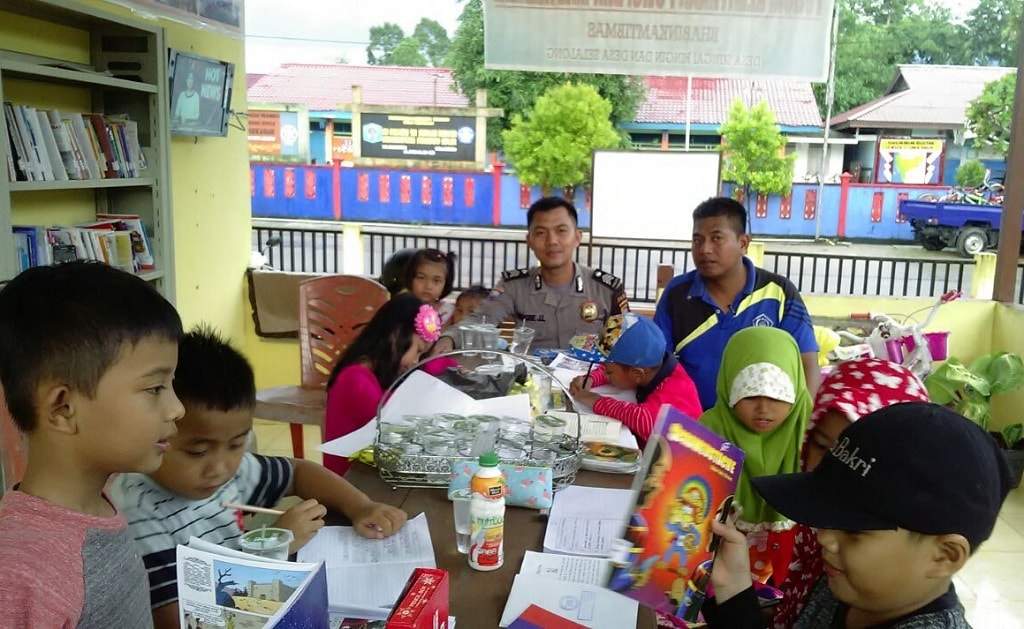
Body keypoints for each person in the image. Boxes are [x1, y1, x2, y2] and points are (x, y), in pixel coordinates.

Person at [110, 326, 408, 629]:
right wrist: (271, 548)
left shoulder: (229, 475)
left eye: (237, 444)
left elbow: (299, 471)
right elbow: (184, 620)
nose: (221, 468)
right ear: (160, 431)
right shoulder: (140, 517)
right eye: (198, 452)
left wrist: (360, 506)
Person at [707, 402, 1013, 629]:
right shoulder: (846, 586)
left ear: (944, 555)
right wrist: (733, 586)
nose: (825, 538)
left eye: (854, 531)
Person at [0, 261, 184, 627]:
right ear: (64, 409)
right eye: (155, 388)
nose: (177, 409)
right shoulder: (22, 571)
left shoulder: (99, 504)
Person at [772, 358, 930, 628]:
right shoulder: (818, 543)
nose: (833, 470)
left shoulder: (879, 575)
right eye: (822, 446)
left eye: (856, 458)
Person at [654, 196, 819, 411]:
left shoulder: (778, 292)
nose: (704, 249)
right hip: (693, 427)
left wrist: (799, 423)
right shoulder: (677, 294)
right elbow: (656, 364)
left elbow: (807, 363)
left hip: (762, 430)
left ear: (743, 244)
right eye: (697, 240)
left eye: (716, 238)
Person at [433, 196, 630, 352]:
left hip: (591, 386)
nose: (552, 241)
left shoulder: (606, 288)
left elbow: (628, 337)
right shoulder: (514, 285)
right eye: (541, 232)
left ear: (577, 237)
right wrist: (448, 338)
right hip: (534, 386)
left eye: (561, 231)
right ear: (529, 240)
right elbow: (481, 318)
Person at [699, 326, 812, 587]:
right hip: (716, 566)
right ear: (729, 387)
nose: (763, 408)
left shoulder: (811, 433)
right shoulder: (708, 431)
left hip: (788, 571)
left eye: (778, 395)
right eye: (748, 394)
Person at [323, 294, 441, 476]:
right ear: (395, 336)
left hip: (372, 470)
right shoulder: (355, 379)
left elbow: (431, 365)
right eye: (417, 350)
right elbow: (393, 422)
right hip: (349, 484)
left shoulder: (378, 369)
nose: (415, 361)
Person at [569, 313, 702, 445]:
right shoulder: (654, 365)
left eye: (608, 372)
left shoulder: (676, 388)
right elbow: (619, 367)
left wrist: (595, 400)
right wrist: (592, 378)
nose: (605, 373)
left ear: (637, 374)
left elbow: (644, 419)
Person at [401, 248, 457, 326]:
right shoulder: (401, 308)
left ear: (446, 283)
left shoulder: (448, 312)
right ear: (410, 278)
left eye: (436, 281)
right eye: (421, 278)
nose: (428, 286)